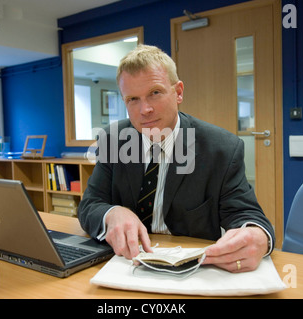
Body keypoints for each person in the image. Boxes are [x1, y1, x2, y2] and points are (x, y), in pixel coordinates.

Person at [78, 44, 275, 273]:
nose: (145, 110)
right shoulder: (113, 140)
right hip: (124, 264)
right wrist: (112, 213)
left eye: (155, 93)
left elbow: (247, 215)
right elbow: (89, 205)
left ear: (178, 92)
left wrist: (258, 235)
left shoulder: (221, 149)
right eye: (133, 99)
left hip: (192, 270)